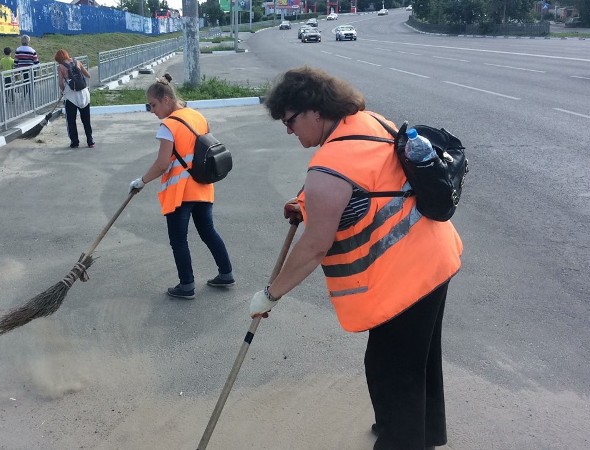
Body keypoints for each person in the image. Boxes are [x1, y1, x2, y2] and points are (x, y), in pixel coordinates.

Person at [253, 67, 463, 450]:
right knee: (418, 360)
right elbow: (367, 183)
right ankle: (423, 434)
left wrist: (270, 293)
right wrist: (305, 203)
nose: (288, 131)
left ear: (314, 111)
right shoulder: (367, 122)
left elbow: (315, 246)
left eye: (290, 121)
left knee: (389, 372)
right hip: (436, 256)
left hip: (405, 278)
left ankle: (403, 440)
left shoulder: (329, 164)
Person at [128, 74, 235, 300]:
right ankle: (226, 273)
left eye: (153, 105)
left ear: (166, 99)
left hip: (180, 193)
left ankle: (186, 285)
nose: (152, 111)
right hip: (202, 187)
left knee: (178, 240)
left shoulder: (169, 125)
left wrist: (142, 181)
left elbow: (162, 163)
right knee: (208, 232)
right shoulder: (197, 116)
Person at [55, 49, 94, 148]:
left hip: (71, 95)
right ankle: (90, 141)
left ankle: (75, 142)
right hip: (84, 93)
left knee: (71, 120)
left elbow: (60, 83)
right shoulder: (77, 61)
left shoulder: (60, 67)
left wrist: (63, 91)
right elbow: (88, 75)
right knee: (86, 119)